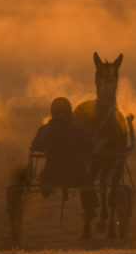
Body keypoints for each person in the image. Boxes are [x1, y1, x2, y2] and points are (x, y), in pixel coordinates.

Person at [30, 97, 98, 233]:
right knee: (88, 183)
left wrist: (49, 147)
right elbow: (91, 147)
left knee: (45, 176)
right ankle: (89, 212)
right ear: (70, 112)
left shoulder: (45, 130)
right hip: (77, 176)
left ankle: (46, 189)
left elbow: (35, 146)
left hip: (52, 175)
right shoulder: (79, 130)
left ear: (52, 112)